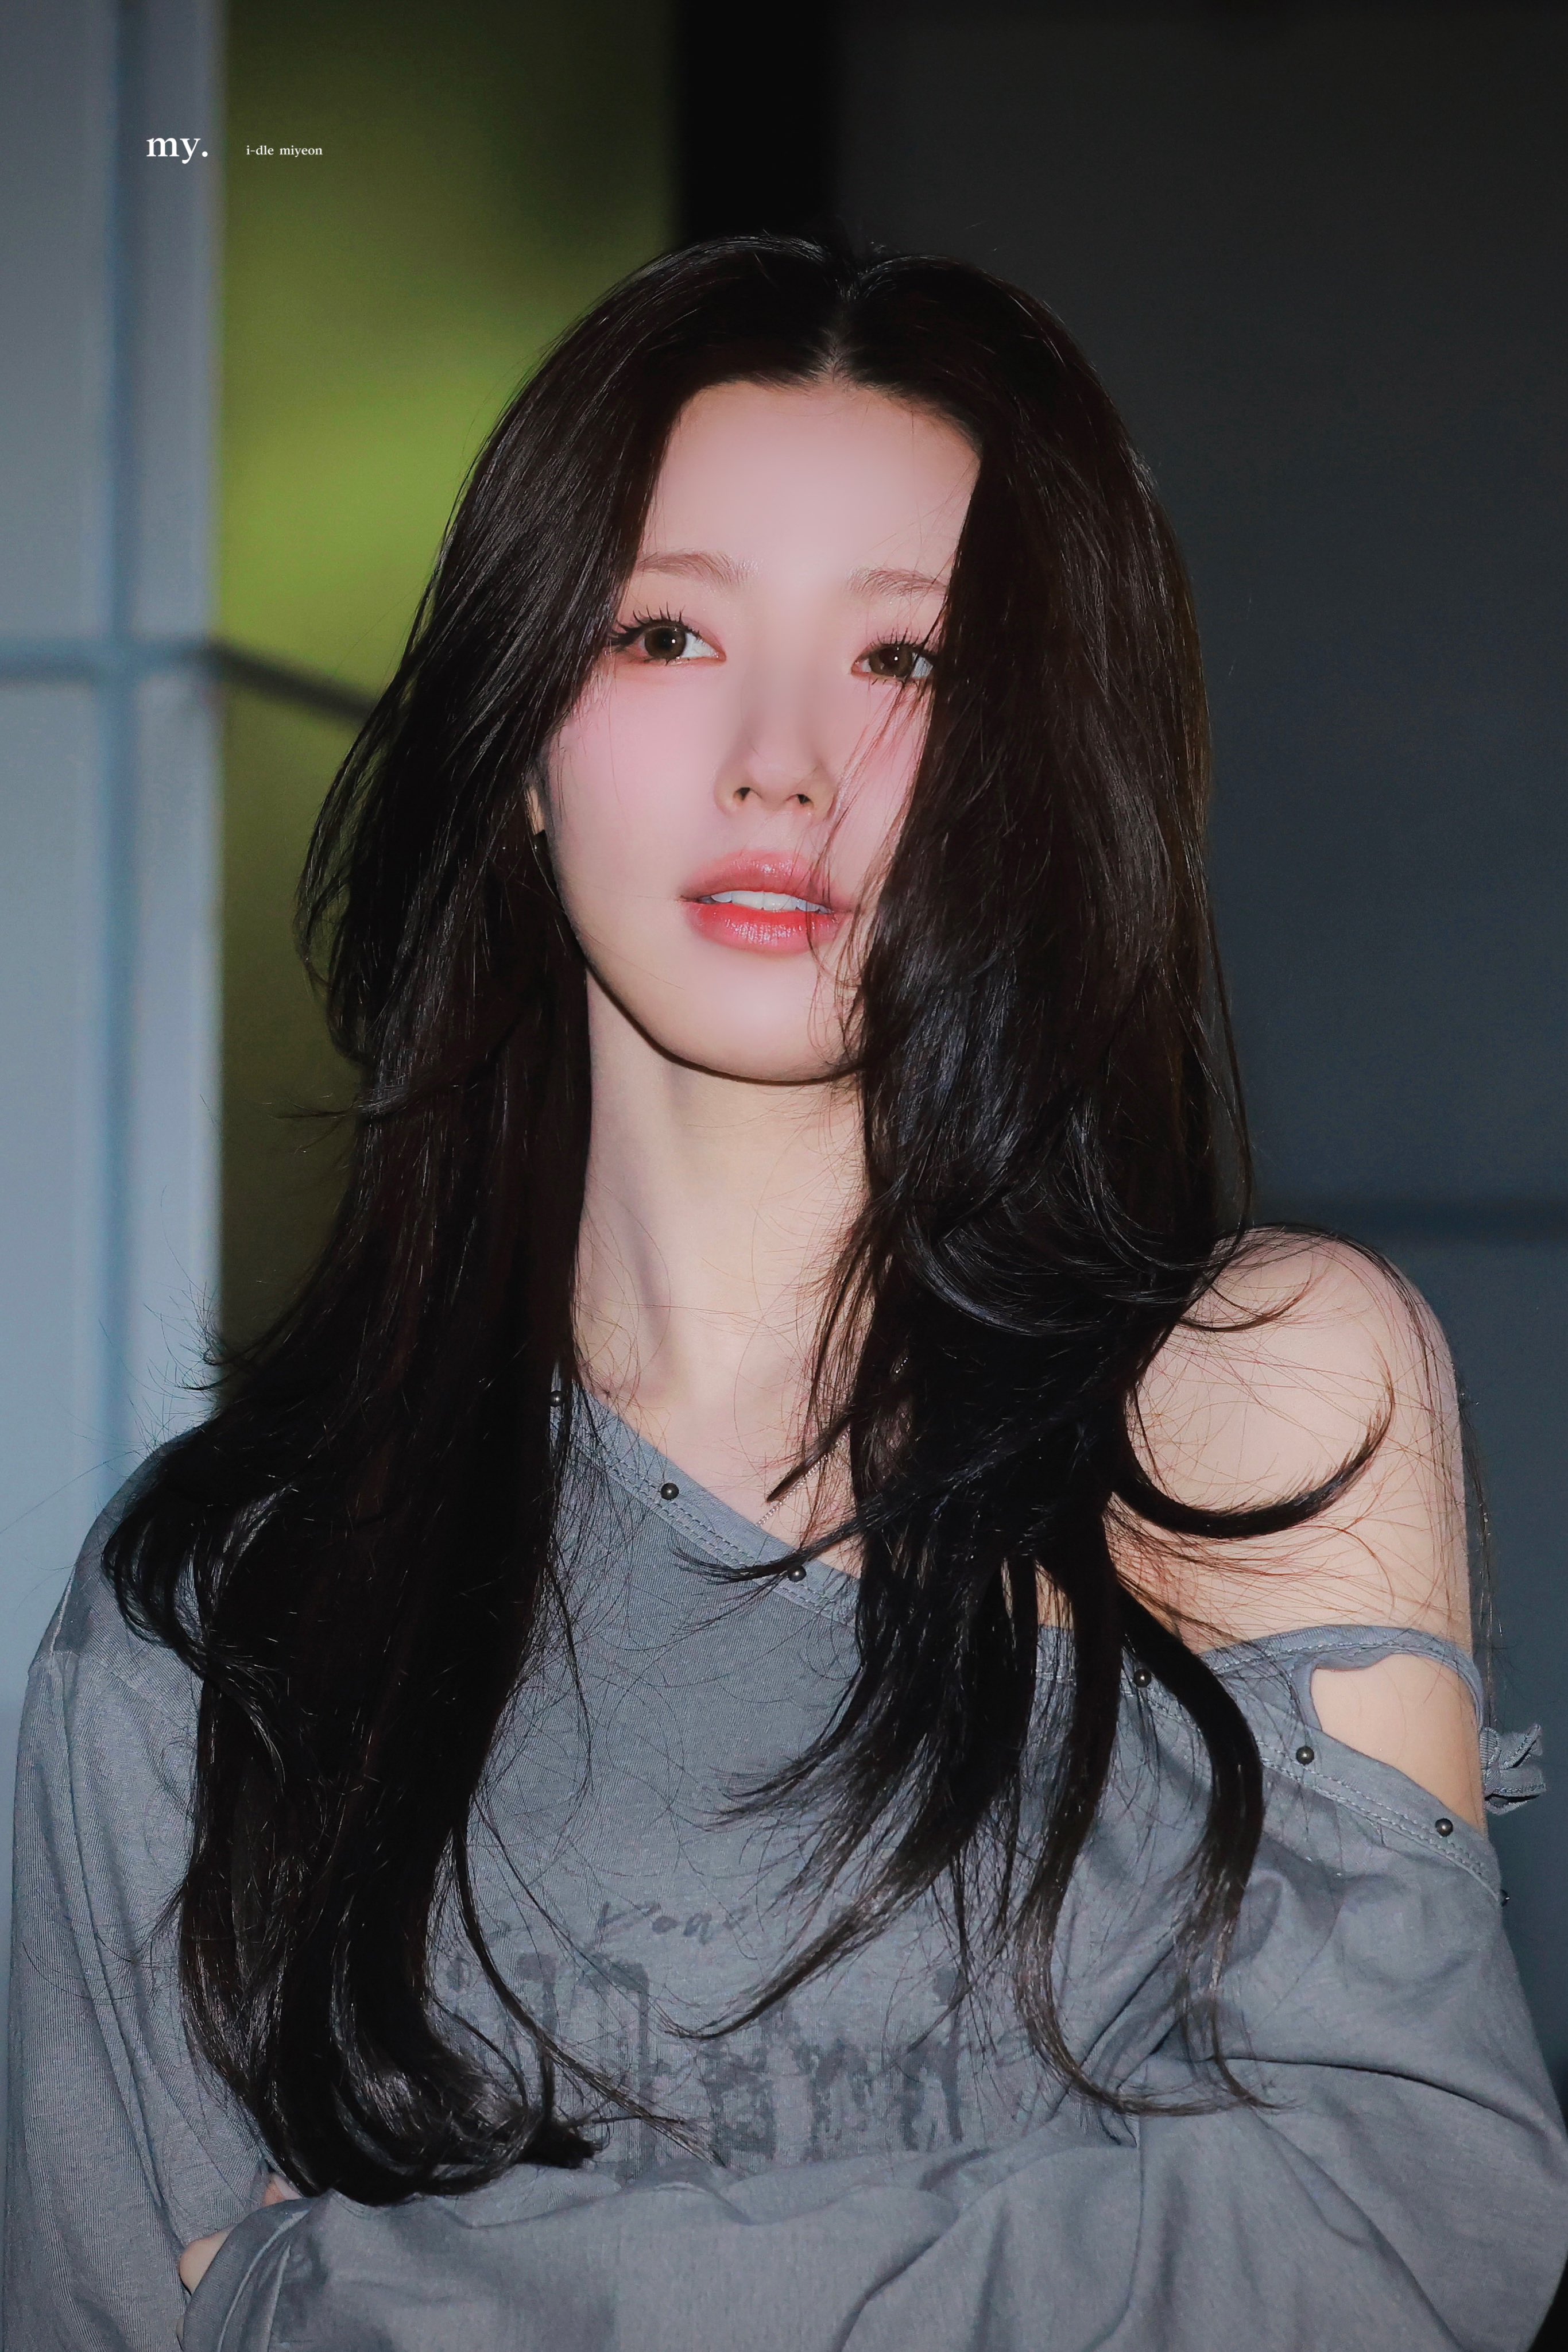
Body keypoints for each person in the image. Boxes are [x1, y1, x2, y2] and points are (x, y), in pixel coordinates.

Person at [5, 236, 1564, 2352]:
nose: (780, 764)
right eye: (665, 631)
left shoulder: (1245, 1392)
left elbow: (1407, 2232)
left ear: (1035, 762)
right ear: (518, 738)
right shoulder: (228, 1600)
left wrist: (366, 2296)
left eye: (904, 658)